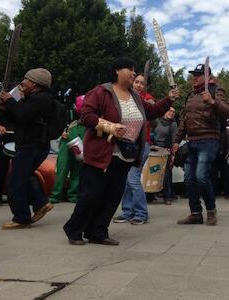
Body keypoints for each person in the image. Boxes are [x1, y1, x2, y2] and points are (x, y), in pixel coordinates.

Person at [63, 57, 178, 245]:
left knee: (112, 196)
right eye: (129, 69)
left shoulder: (135, 97)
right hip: (100, 154)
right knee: (91, 194)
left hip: (125, 156)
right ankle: (74, 229)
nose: (133, 73)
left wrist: (169, 99)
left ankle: (98, 232)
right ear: (117, 70)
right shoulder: (102, 92)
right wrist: (109, 126)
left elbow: (151, 112)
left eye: (135, 70)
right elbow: (86, 115)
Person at [172, 63, 229, 226]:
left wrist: (212, 101)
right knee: (189, 179)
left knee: (201, 176)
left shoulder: (216, 91)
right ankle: (195, 213)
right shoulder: (191, 95)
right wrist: (177, 141)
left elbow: (227, 112)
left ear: (207, 77)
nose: (194, 78)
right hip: (192, 142)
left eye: (197, 75)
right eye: (193, 75)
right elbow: (184, 119)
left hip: (209, 140)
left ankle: (211, 211)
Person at [0, 68, 55, 229]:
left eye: (26, 79)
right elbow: (17, 117)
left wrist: (10, 101)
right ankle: (41, 203)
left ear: (35, 83)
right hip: (28, 145)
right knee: (24, 177)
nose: (22, 82)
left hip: (32, 146)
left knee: (15, 181)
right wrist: (5, 106)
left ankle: (21, 217)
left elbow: (23, 115)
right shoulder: (31, 98)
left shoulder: (42, 99)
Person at [112, 73, 158, 225]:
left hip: (142, 143)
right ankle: (127, 211)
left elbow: (156, 121)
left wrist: (147, 104)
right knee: (126, 179)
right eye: (136, 82)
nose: (138, 85)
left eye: (142, 83)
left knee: (133, 178)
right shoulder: (127, 97)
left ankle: (141, 212)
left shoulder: (147, 99)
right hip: (127, 143)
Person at [49, 95, 86, 204]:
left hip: (81, 143)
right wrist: (62, 132)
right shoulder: (69, 114)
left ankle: (73, 195)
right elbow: (58, 125)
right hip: (66, 142)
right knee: (62, 169)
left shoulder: (91, 115)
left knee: (77, 170)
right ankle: (55, 195)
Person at [0, 103, 15, 206]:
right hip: (0, 139)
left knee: (16, 169)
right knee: (2, 167)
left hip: (14, 138)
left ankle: (13, 196)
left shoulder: (15, 106)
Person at [153, 107, 178, 204]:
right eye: (170, 111)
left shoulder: (173, 124)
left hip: (166, 151)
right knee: (153, 171)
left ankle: (168, 196)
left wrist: (173, 154)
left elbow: (174, 140)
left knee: (166, 173)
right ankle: (151, 194)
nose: (171, 113)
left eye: (173, 112)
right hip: (154, 150)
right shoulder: (156, 121)